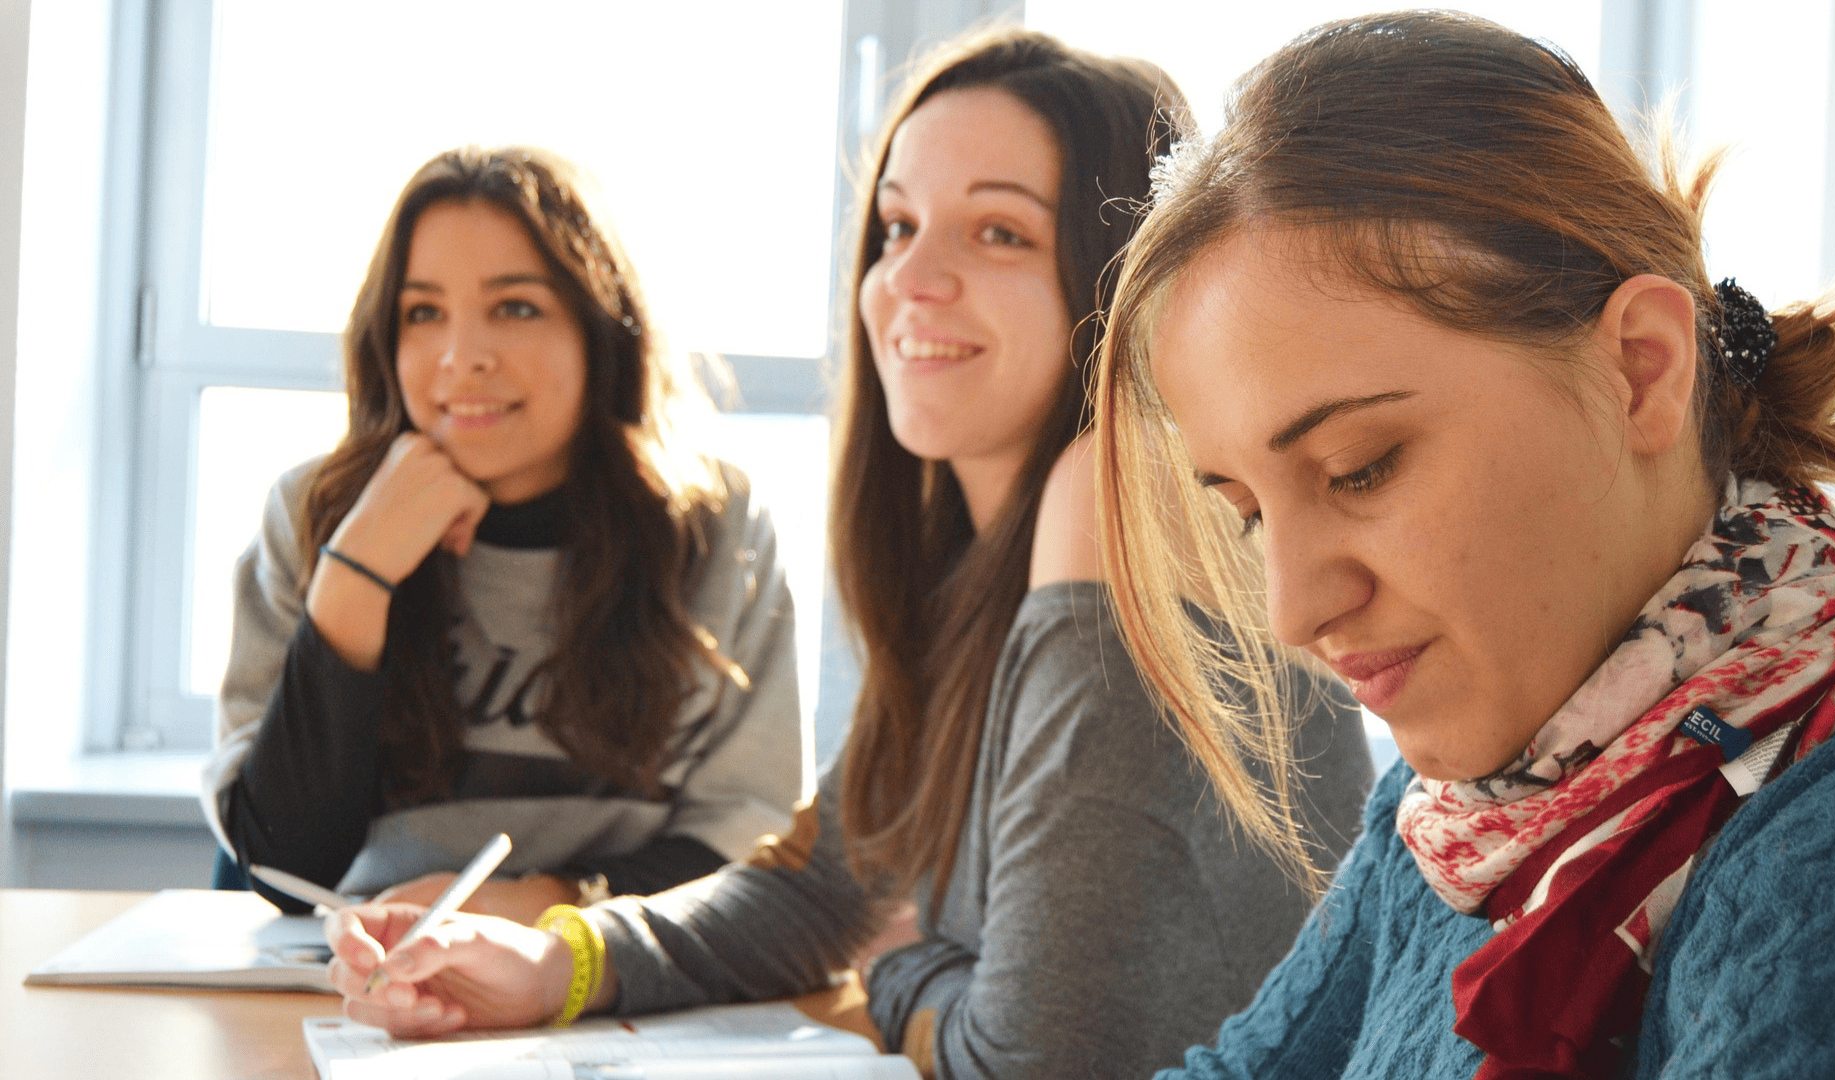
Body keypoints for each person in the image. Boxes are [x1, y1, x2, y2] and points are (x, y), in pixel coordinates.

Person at [322, 29, 1374, 1080]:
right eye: (898, 225)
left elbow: (1030, 1059)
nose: (910, 277)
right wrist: (556, 962)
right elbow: (824, 886)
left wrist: (905, 970)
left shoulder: (1107, 494)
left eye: (999, 233)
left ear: (1115, 275)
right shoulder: (973, 561)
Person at [1093, 10, 1835, 1080]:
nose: (1293, 610)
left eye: (1360, 468)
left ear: (1643, 369)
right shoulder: (1477, 795)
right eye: (1250, 510)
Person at [201, 147, 805, 926]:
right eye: (423, 313)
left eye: (515, 307)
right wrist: (355, 575)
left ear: (601, 331)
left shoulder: (716, 527)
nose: (462, 358)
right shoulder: (313, 512)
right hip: (352, 976)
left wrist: (540, 905)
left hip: (618, 974)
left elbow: (750, 838)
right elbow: (284, 870)